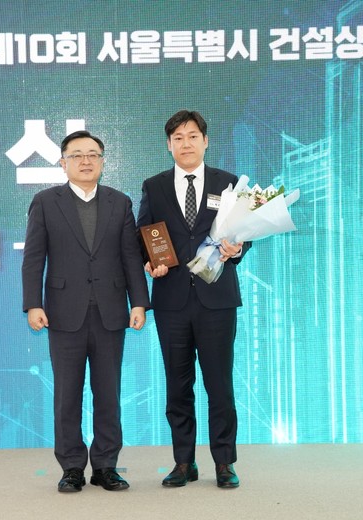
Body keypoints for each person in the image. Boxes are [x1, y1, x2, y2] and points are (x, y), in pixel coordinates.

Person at [22, 130, 150, 493]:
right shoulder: (46, 202)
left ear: (103, 162)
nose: (85, 161)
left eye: (93, 154)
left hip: (110, 312)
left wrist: (139, 302)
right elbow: (33, 258)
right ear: (63, 163)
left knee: (108, 393)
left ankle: (106, 465)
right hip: (63, 313)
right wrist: (33, 304)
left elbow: (130, 256)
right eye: (76, 155)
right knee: (67, 394)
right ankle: (72, 467)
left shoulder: (119, 202)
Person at [137, 110, 251, 489]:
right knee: (178, 385)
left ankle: (224, 462)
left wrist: (237, 248)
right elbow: (143, 234)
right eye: (177, 138)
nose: (185, 143)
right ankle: (183, 462)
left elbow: (244, 231)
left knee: (219, 384)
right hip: (171, 301)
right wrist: (150, 262)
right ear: (168, 145)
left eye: (192, 136)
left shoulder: (228, 183)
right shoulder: (154, 186)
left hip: (216, 298)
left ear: (205, 141)